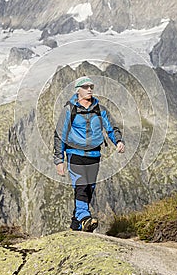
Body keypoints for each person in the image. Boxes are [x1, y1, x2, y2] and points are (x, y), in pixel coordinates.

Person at [53, 76, 125, 232]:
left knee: (89, 188)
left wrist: (118, 141)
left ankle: (76, 225)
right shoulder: (69, 110)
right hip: (75, 154)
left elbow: (111, 127)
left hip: (94, 155)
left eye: (91, 86)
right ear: (78, 90)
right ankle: (85, 218)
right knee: (81, 185)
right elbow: (59, 135)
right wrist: (59, 160)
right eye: (85, 87)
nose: (89, 89)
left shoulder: (100, 109)